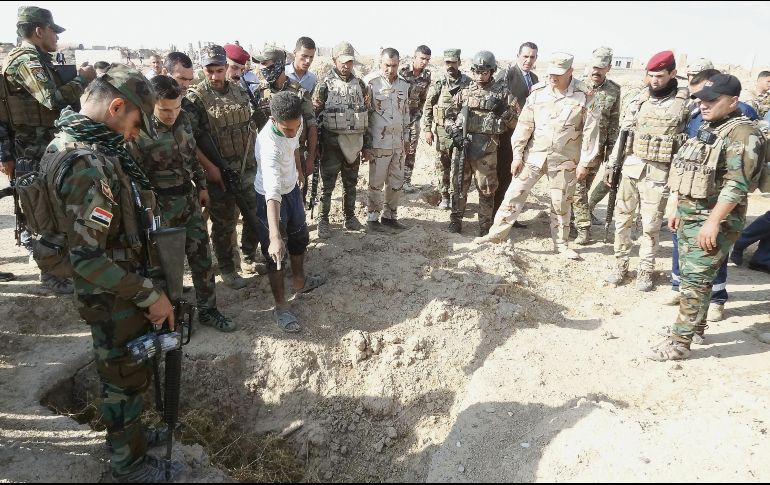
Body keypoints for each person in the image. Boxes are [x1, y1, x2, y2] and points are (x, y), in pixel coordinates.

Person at [43, 64, 183, 481]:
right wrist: (148, 294)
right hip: (110, 293)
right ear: (117, 106)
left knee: (122, 372)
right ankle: (129, 465)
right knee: (124, 378)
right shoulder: (86, 165)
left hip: (112, 288)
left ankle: (129, 438)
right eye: (136, 122)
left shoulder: (68, 143)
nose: (135, 134)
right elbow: (88, 259)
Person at [650, 74, 763, 360]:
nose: (704, 105)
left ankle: (679, 342)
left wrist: (713, 222)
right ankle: (696, 327)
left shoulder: (742, 133)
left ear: (733, 101)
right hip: (691, 214)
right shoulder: (711, 126)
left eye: (712, 100)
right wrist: (677, 205)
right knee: (693, 276)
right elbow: (689, 166)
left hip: (715, 219)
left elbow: (737, 184)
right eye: (702, 100)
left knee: (695, 281)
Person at [127, 75, 236, 332]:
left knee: (202, 258)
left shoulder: (184, 119)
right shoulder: (138, 131)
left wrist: (202, 186)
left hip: (188, 201)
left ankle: (208, 310)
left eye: (176, 108)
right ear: (151, 104)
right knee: (167, 266)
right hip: (160, 207)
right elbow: (134, 177)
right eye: (165, 109)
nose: (171, 114)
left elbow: (191, 157)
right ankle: (171, 317)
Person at [0, 6, 96, 294]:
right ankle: (53, 273)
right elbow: (52, 100)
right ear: (39, 30)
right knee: (44, 214)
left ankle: (60, 268)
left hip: (41, 148)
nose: (56, 37)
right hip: (34, 150)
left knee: (53, 209)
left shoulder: (34, 59)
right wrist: (83, 79)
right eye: (53, 31)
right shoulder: (27, 61)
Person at [479, 52, 600, 260]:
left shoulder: (584, 95)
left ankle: (561, 244)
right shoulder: (538, 91)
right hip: (534, 156)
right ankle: (495, 235)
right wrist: (517, 155)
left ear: (570, 72)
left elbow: (591, 131)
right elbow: (525, 125)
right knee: (514, 194)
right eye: (551, 73)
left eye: (559, 74)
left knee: (561, 202)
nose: (553, 78)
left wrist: (585, 163)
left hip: (565, 159)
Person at [605, 51, 690, 291]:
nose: (654, 80)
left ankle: (645, 269)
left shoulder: (685, 103)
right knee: (622, 221)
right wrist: (613, 164)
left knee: (651, 225)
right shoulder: (639, 99)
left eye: (660, 76)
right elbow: (624, 134)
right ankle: (620, 263)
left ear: (672, 74)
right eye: (651, 75)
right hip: (632, 168)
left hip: (660, 173)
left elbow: (686, 145)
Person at [185, 45, 259, 289]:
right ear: (202, 69)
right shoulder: (195, 98)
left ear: (227, 67)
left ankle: (248, 257)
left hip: (246, 167)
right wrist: (211, 169)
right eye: (210, 71)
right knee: (224, 223)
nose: (215, 76)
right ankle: (227, 267)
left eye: (219, 70)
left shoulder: (239, 92)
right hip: (217, 172)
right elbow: (193, 141)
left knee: (253, 214)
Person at [255, 91, 326, 332]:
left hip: (292, 189)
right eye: (287, 129)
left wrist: (298, 170)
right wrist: (274, 237)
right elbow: (271, 193)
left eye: (297, 127)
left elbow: (295, 144)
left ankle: (300, 281)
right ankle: (281, 307)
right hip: (270, 198)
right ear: (273, 121)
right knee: (275, 254)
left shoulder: (294, 121)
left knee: (300, 237)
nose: (293, 132)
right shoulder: (268, 146)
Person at [443, 50, 518, 236]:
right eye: (476, 72)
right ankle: (455, 221)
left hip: (487, 149)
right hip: (464, 146)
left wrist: (502, 111)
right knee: (459, 185)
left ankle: (485, 225)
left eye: (484, 72)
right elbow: (448, 117)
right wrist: (454, 132)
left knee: (487, 189)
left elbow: (516, 122)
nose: (479, 76)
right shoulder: (464, 92)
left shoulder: (503, 94)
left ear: (492, 71)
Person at [312, 41, 369, 238]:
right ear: (334, 60)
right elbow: (315, 116)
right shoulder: (324, 84)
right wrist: (316, 146)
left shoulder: (360, 85)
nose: (346, 65)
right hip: (331, 143)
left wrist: (366, 146)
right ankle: (323, 220)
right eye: (342, 61)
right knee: (327, 185)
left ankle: (350, 217)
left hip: (354, 142)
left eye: (350, 62)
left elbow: (366, 115)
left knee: (350, 183)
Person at [253, 46, 318, 203]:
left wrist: (310, 159)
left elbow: (312, 126)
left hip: (295, 155)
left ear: (279, 65)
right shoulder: (258, 93)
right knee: (270, 198)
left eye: (266, 64)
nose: (262, 69)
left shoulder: (300, 92)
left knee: (295, 201)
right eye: (260, 65)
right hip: (269, 156)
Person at [571, 47, 620, 245]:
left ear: (608, 68)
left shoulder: (614, 90)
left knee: (585, 188)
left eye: (600, 68)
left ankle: (576, 218)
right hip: (576, 148)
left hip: (598, 150)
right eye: (593, 67)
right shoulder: (577, 87)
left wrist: (611, 149)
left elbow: (614, 122)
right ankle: (583, 227)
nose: (595, 72)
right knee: (577, 189)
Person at [362, 48, 411, 233]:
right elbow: (365, 116)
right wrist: (366, 145)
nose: (391, 70)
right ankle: (372, 218)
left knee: (396, 181)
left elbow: (406, 113)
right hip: (378, 143)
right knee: (376, 181)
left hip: (397, 143)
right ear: (380, 63)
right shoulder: (370, 83)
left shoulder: (404, 85)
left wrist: (407, 139)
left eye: (394, 65)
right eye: (387, 65)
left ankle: (390, 216)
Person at [421, 48, 471, 210]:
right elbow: (428, 106)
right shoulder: (439, 82)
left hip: (461, 132)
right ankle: (444, 197)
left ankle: (456, 196)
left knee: (459, 166)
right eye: (447, 63)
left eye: (453, 62)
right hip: (442, 131)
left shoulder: (468, 83)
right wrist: (427, 129)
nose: (450, 66)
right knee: (442, 165)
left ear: (459, 63)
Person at [494, 41, 539, 214]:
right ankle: (498, 214)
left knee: (517, 178)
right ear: (518, 56)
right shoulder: (506, 75)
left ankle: (511, 214)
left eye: (532, 57)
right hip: (506, 135)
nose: (528, 60)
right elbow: (496, 103)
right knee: (503, 176)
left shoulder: (534, 79)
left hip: (525, 136)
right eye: (525, 56)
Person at [399, 45, 432, 191]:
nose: (424, 62)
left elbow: (423, 98)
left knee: (411, 149)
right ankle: (394, 178)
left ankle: (406, 180)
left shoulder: (426, 76)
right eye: (422, 58)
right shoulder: (402, 72)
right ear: (415, 57)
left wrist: (418, 115)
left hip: (413, 117)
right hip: (398, 117)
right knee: (396, 148)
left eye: (427, 59)